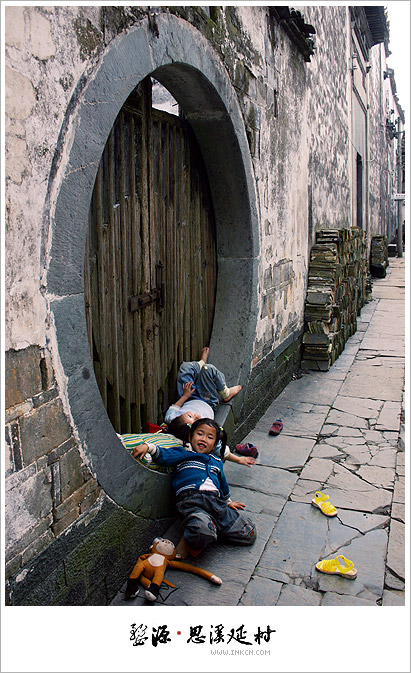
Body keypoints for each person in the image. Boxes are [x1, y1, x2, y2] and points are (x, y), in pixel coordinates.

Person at [132, 418, 257, 556]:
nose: (204, 439)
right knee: (201, 530)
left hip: (216, 503)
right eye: (200, 434)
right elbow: (164, 455)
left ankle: (214, 526)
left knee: (248, 532)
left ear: (215, 443)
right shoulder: (184, 453)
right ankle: (206, 530)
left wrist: (228, 502)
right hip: (193, 501)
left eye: (210, 437)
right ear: (191, 436)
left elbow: (223, 485)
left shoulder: (216, 462)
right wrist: (148, 447)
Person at [164, 347, 241, 426]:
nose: (196, 416)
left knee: (185, 368)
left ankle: (201, 363)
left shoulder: (172, 420)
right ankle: (226, 393)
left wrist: (185, 396)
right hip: (207, 400)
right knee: (208, 369)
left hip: (188, 398)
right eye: (197, 420)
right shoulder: (204, 428)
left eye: (189, 416)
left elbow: (173, 408)